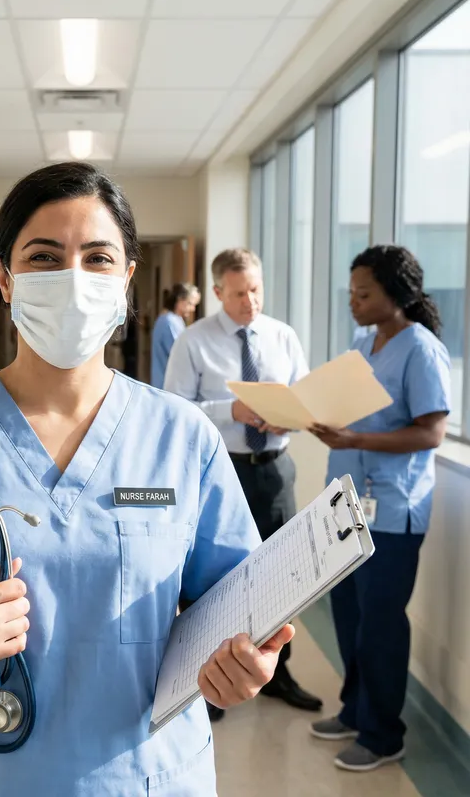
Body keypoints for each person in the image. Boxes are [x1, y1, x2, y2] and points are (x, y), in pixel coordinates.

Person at [0, 163, 294, 797]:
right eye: (44, 257)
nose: (72, 279)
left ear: (127, 279)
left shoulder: (183, 439)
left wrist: (248, 666)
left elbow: (238, 610)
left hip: (144, 776)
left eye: (98, 258)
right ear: (5, 276)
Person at [164, 248, 323, 720]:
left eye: (255, 290)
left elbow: (304, 396)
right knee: (211, 579)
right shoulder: (193, 341)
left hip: (274, 466)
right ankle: (207, 677)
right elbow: (175, 408)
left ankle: (279, 671)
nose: (250, 301)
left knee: (282, 572)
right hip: (218, 471)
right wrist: (228, 411)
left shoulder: (282, 336)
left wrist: (288, 420)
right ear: (217, 293)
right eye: (238, 293)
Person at [309, 245, 450, 772]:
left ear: (397, 295)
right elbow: (353, 414)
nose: (354, 302)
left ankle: (384, 733)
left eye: (363, 294)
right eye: (351, 292)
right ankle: (356, 709)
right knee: (347, 612)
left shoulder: (421, 349)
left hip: (394, 510)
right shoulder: (363, 344)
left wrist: (355, 439)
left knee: (381, 624)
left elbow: (431, 431)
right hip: (348, 502)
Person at [151, 282, 200, 388]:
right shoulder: (169, 321)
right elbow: (182, 354)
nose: (193, 309)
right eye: (190, 304)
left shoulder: (175, 320)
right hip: (167, 385)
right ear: (179, 300)